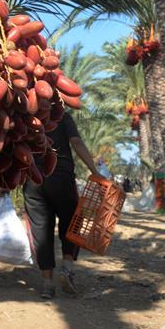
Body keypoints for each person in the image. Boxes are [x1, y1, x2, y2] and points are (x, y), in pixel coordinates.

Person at [22, 111, 101, 300]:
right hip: (61, 178)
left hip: (33, 181)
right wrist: (94, 171)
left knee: (40, 230)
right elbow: (77, 142)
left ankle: (47, 284)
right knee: (72, 223)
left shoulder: (24, 117)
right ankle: (66, 269)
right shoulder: (62, 116)